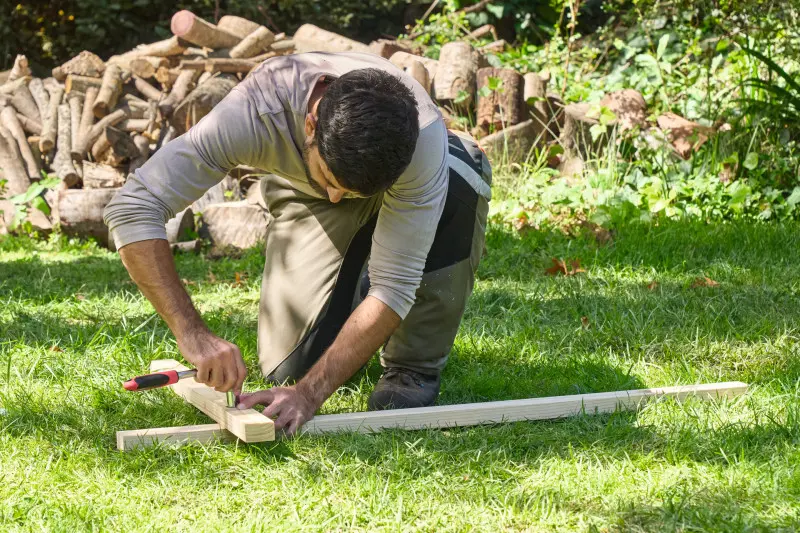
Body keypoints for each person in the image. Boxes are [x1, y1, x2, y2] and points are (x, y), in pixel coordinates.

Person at [104, 52, 491, 435]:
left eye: (346, 191)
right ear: (310, 125)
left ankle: (413, 365)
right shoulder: (254, 113)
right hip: (305, 192)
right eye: (332, 179)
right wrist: (193, 335)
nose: (337, 197)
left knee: (456, 186)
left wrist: (309, 394)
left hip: (413, 184)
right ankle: (362, 277)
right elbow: (133, 207)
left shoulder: (422, 143)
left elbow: (395, 286)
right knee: (289, 368)